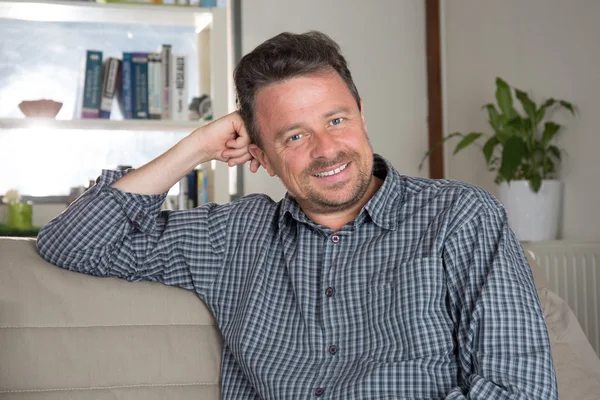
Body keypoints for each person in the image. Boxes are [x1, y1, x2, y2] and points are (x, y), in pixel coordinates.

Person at [37, 31, 558, 399]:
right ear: (258, 156)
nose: (327, 149)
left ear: (362, 115)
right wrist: (195, 148)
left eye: (337, 119)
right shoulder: (233, 237)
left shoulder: (460, 217)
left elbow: (519, 388)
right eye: (294, 135)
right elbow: (72, 242)